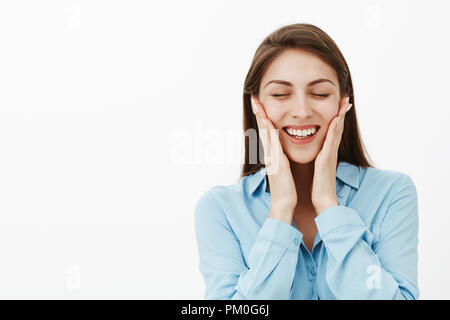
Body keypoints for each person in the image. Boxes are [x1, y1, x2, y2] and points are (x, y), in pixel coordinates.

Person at [194, 23, 419, 300]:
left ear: (344, 100)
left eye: (320, 93)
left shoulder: (392, 193)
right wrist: (280, 209)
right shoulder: (220, 209)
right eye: (280, 94)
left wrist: (328, 205)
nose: (301, 111)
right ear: (256, 104)